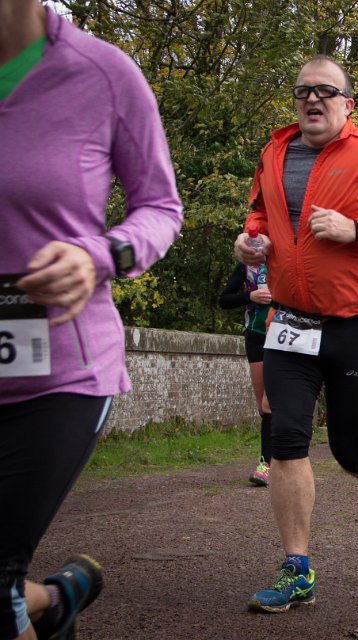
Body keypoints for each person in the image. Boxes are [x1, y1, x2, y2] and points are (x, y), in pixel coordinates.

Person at [0, 2, 183, 638]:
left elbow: (161, 207)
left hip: (58, 373)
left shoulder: (102, 73)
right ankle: (55, 602)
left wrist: (99, 255)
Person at [233, 54, 358, 613]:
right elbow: (259, 215)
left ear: (348, 104)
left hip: (357, 322)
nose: (312, 99)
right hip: (289, 321)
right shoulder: (274, 152)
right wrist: (248, 241)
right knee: (285, 439)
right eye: (303, 91)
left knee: (350, 448)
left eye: (325, 91)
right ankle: (297, 569)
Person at [219, 262, 274, 485]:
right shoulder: (246, 266)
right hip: (255, 335)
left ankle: (266, 465)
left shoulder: (286, 258)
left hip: (280, 334)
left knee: (269, 405)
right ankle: (273, 457)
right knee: (263, 407)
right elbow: (224, 300)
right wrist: (250, 296)